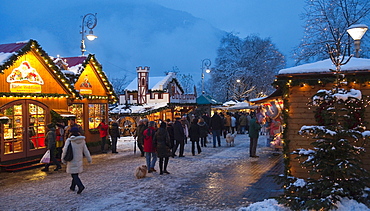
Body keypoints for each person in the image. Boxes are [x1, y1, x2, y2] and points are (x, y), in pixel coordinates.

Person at [61, 127, 92, 194]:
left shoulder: (69, 140)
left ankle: (80, 186)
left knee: (74, 175)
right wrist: (89, 159)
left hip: (71, 159)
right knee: (75, 173)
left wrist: (63, 159)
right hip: (79, 159)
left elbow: (65, 151)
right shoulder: (82, 140)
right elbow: (86, 151)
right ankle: (72, 187)